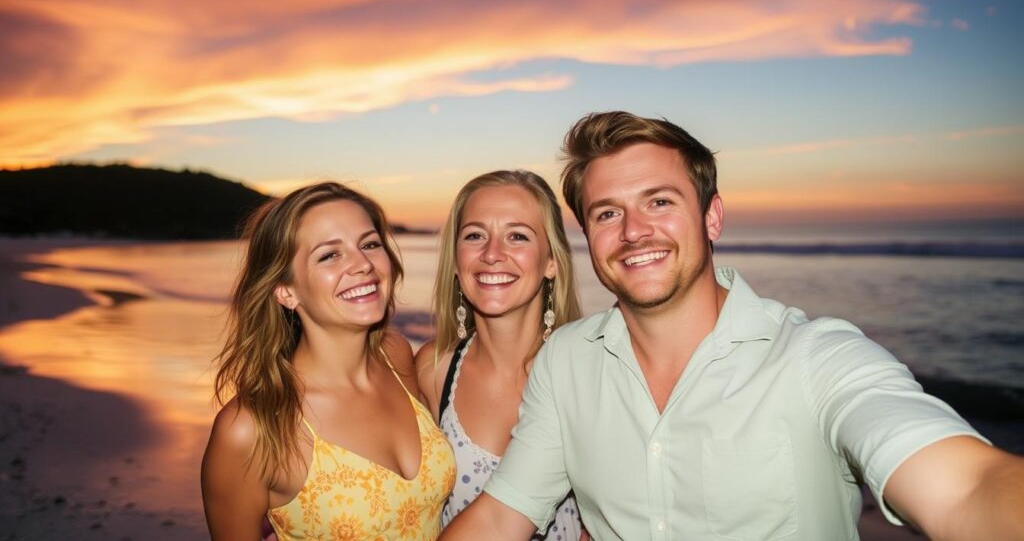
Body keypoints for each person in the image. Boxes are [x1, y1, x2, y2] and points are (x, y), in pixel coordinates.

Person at [441, 112, 1024, 541]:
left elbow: (967, 489)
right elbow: (503, 513)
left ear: (711, 215)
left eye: (660, 202)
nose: (634, 231)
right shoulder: (567, 360)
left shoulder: (814, 356)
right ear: (588, 238)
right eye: (607, 213)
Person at [202, 182, 455, 541]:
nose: (363, 264)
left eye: (369, 244)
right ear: (286, 291)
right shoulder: (250, 429)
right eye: (329, 255)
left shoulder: (396, 356)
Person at [415, 170, 586, 540]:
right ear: (457, 262)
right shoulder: (434, 370)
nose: (492, 254)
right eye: (475, 236)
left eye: (517, 236)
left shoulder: (586, 369)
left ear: (551, 261)